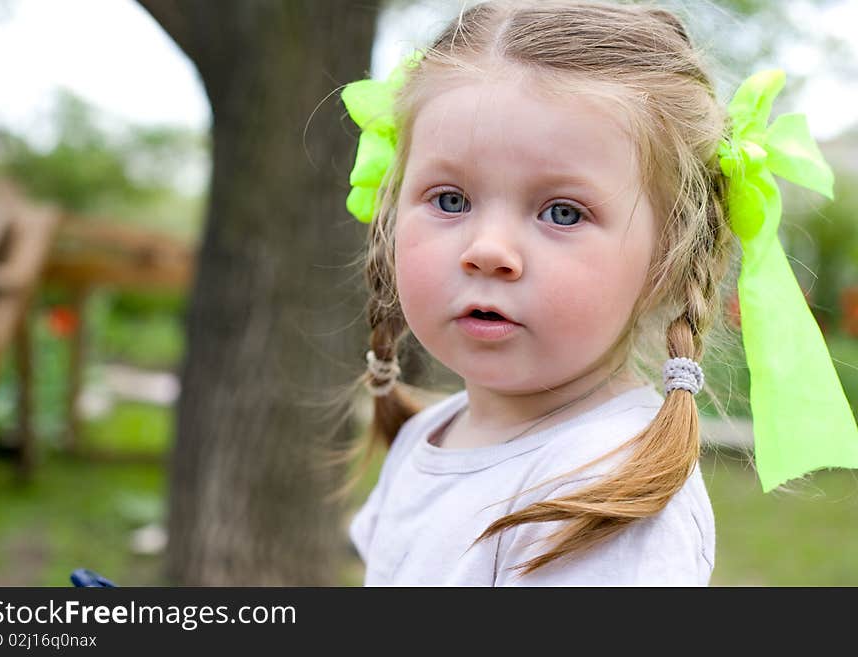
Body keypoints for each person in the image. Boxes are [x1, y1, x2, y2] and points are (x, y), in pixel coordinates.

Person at [333, 0, 852, 586]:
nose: (488, 249)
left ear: (668, 260)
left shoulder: (606, 493)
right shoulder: (437, 433)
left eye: (561, 212)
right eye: (451, 200)